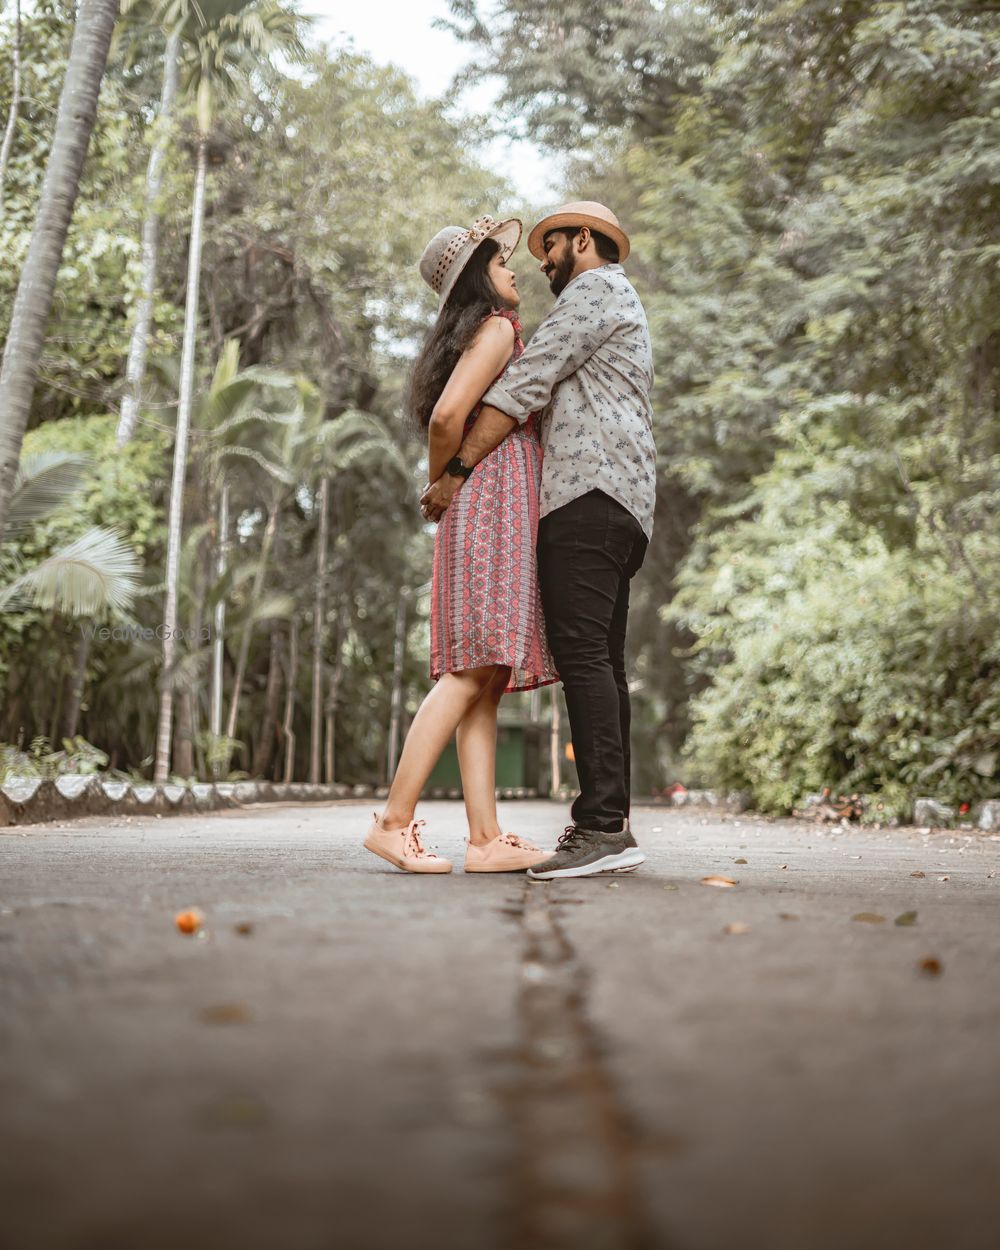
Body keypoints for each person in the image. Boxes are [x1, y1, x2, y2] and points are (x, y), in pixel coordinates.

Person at [420, 202, 656, 880]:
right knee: (603, 663)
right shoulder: (618, 301)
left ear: (584, 240)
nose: (540, 262)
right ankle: (612, 822)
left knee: (587, 659)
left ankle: (601, 826)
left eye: (549, 248)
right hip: (621, 500)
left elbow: (524, 384)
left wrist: (453, 475)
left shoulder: (595, 290)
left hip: (587, 496)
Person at [363, 215, 557, 875]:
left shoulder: (477, 334)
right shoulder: (498, 329)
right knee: (468, 671)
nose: (513, 272)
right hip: (490, 500)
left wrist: (450, 486)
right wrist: (445, 480)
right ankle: (392, 822)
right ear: (481, 276)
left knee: (486, 674)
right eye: (502, 263)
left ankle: (485, 837)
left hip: (487, 502)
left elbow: (451, 412)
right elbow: (449, 417)